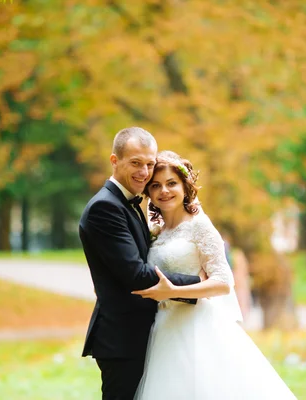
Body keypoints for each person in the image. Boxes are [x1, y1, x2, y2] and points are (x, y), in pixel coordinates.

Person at [132, 151, 297, 399]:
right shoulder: (156, 231)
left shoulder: (200, 225)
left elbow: (223, 282)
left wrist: (174, 292)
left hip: (197, 325)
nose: (164, 191)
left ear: (185, 187)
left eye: (171, 183)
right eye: (156, 185)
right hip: (164, 327)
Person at [78, 128, 202, 400]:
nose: (145, 172)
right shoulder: (105, 208)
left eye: (149, 163)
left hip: (142, 334)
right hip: (122, 339)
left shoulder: (130, 203)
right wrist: (199, 284)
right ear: (115, 161)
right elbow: (135, 274)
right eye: (136, 163)